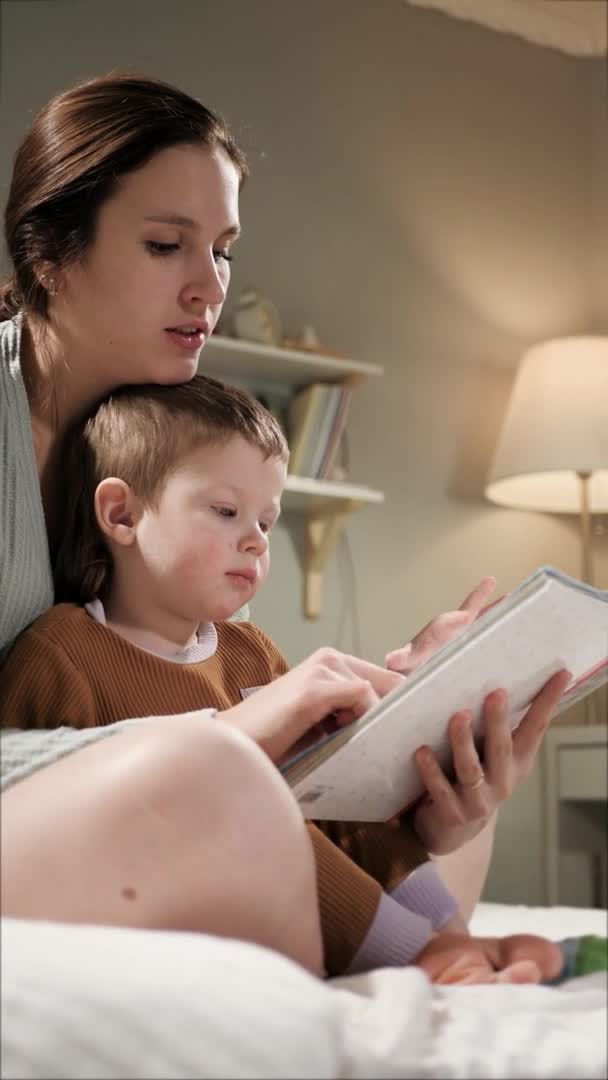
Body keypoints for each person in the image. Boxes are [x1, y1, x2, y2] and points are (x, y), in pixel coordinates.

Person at [0, 72, 569, 983]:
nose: (208, 286)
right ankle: (417, 950)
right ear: (48, 256)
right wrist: (224, 740)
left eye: (223, 251)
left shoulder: (148, 456)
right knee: (226, 774)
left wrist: (409, 756)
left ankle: (426, 941)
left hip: (157, 828)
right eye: (164, 245)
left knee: (428, 797)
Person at [0, 371, 562, 984]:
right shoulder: (63, 653)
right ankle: (410, 954)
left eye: (267, 522)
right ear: (122, 513)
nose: (255, 541)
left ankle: (446, 937)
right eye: (226, 511)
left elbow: (336, 809)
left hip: (280, 907)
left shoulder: (251, 653)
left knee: (331, 775)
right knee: (264, 803)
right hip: (153, 900)